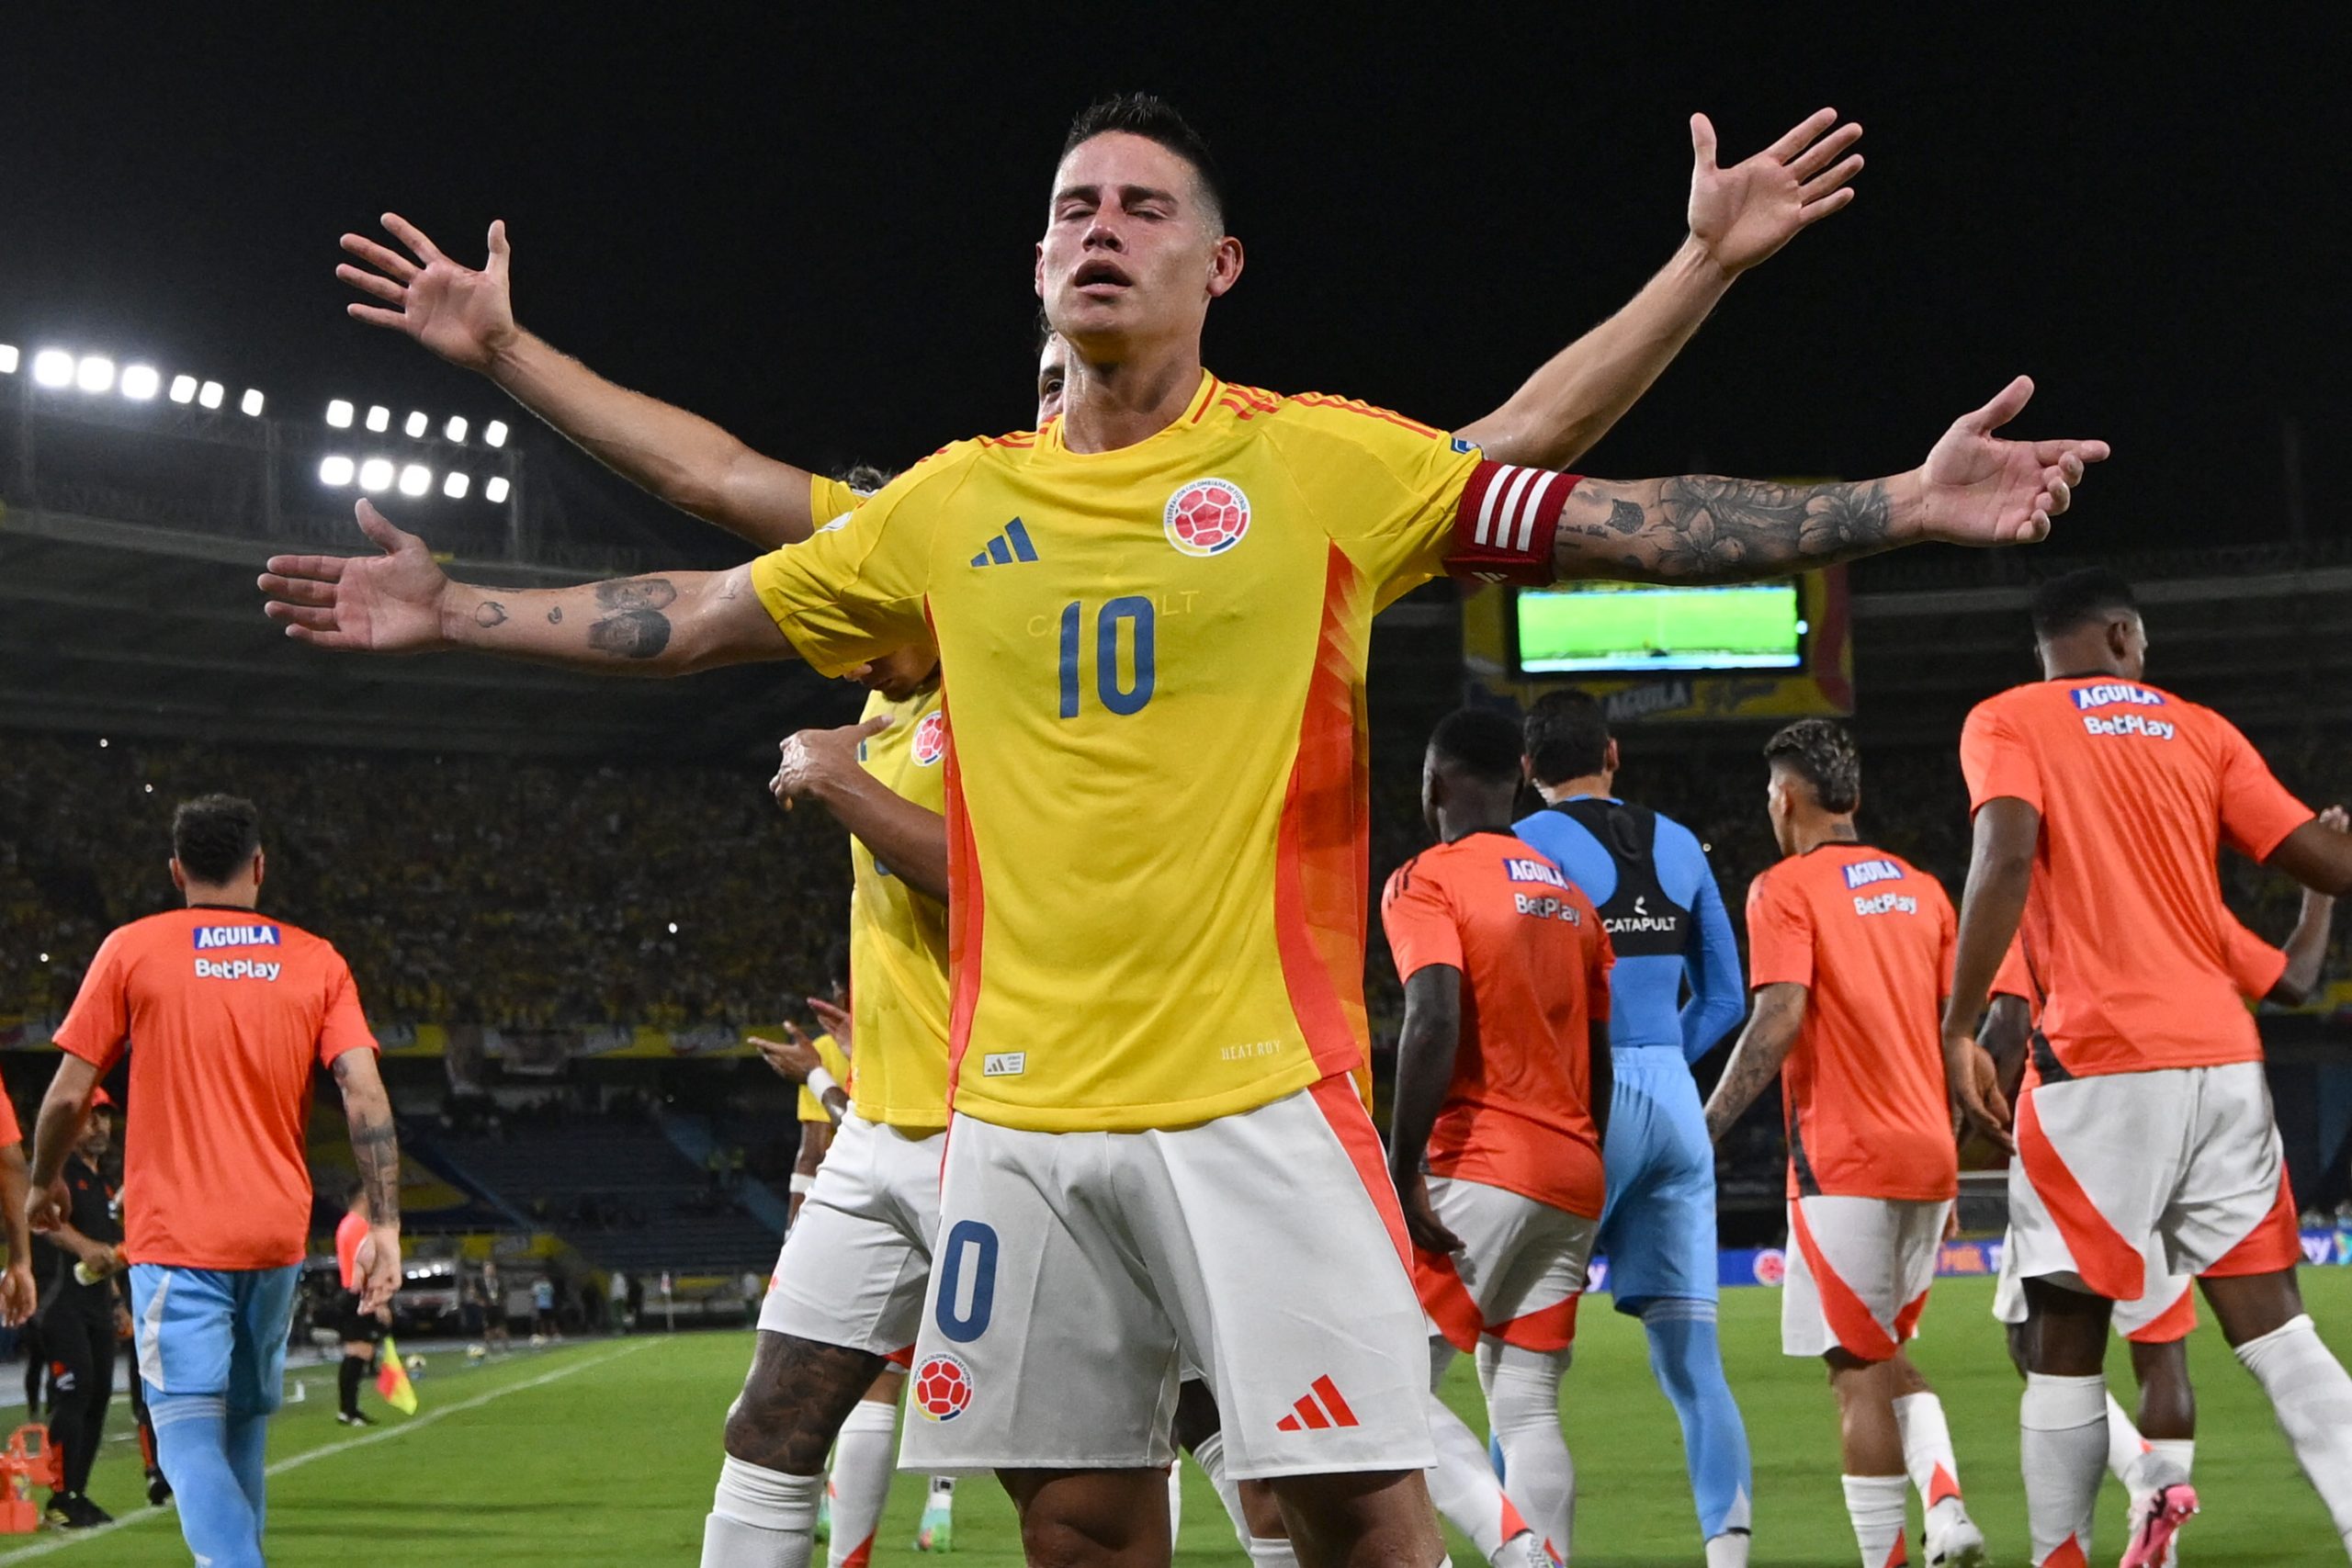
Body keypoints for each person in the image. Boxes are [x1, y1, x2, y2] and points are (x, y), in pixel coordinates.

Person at [265, 94, 2103, 1567]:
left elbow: (1614, 510)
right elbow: (703, 601)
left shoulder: (1316, 465)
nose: (1100, 227)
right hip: (1018, 1121)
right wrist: (459, 606)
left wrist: (1889, 494)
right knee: (1075, 1523)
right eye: (1073, 204)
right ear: (1034, 261)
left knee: (1358, 1517)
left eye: (1142, 206)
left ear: (1218, 265)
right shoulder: (947, 508)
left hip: (1260, 1100)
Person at [1941, 568, 2352, 1568]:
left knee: (2063, 1344)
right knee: (2280, 1336)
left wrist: (1957, 1023)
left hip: (2098, 1069)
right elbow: (2325, 864)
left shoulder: (2006, 718)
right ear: (2122, 636)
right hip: (2223, 1065)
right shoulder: (2201, 729)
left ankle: (2062, 1556)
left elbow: (2004, 853)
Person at [27, 794, 402, 1568]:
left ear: (176, 871)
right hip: (273, 1236)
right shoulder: (317, 960)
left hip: (179, 1235)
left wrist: (42, 1182)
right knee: (243, 1426)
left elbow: (66, 1096)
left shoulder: (133, 949)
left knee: (186, 1431)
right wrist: (387, 1225)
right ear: (259, 866)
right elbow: (364, 1093)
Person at [1979, 838, 2342, 1567]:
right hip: (2204, 1107)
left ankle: (2141, 1481)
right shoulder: (2186, 905)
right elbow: (2296, 979)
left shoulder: (2046, 895)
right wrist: (2319, 895)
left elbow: (2009, 1025)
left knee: (2046, 1344)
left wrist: (1965, 1101)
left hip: (2088, 1122)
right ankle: (2160, 1529)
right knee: (2185, 1349)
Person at [1703, 720, 1989, 1568]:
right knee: (1886, 1356)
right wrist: (1958, 1140)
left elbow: (1779, 1014)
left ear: (1786, 798)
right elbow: (1957, 1037)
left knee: (1856, 1370)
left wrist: (1705, 1125)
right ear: (1852, 797)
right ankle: (1945, 1506)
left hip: (1845, 1161)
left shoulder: (1784, 888)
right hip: (1929, 1157)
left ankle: (1893, 1551)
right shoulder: (1925, 891)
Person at [1511, 689, 1753, 1564]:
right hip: (1676, 1108)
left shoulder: (1522, 845)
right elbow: (1726, 996)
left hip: (1585, 1102)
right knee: (1693, 1365)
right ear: (1612, 754)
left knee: (1524, 1369)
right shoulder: (1681, 842)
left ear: (1528, 769)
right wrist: (1661, 1065)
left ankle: (1530, 1553)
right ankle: (1728, 1554)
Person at [1382, 708, 1615, 1563]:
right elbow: (1600, 1058)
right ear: (1519, 780)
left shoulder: (1427, 879)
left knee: (1384, 1385)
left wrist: (1402, 1163)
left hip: (1481, 1159)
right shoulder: (1571, 897)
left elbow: (1433, 1015)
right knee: (1527, 1401)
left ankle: (1518, 1550)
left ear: (1434, 783)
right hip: (1573, 1168)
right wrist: (1587, 1165)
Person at [35, 1089, 127, 1528]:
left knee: (98, 1396)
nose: (100, 1126)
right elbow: (45, 1222)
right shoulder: (57, 1171)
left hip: (96, 1304)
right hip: (60, 1300)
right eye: (91, 1117)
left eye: (104, 1117)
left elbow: (107, 1254)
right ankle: (58, 1497)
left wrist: (118, 1303)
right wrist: (86, 1247)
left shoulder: (103, 1183)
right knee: (75, 1392)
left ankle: (76, 1492)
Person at [332, 1181, 390, 1427]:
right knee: (358, 1353)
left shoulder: (346, 1224)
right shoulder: (359, 1227)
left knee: (359, 1352)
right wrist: (378, 1302)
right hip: (358, 1294)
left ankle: (348, 1410)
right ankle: (349, 1411)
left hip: (351, 1292)